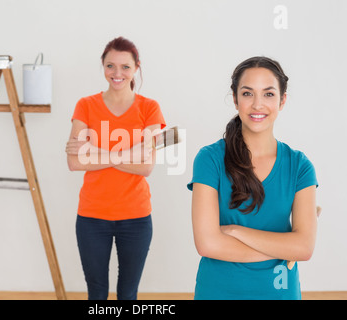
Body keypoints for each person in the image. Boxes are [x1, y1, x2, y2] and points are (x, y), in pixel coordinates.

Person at [188, 56, 318, 300]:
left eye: (268, 94)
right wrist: (284, 247)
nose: (258, 104)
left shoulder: (300, 166)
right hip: (218, 292)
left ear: (283, 101)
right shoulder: (209, 159)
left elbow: (304, 248)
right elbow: (207, 244)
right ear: (236, 100)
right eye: (248, 94)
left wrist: (236, 231)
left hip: (279, 293)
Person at [66, 36, 166, 300]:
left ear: (136, 68)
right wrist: (129, 153)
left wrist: (96, 153)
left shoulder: (150, 108)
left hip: (136, 216)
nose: (117, 73)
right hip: (91, 216)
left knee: (127, 294)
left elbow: (146, 166)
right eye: (110, 66)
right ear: (103, 65)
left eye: (125, 67)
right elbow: (75, 161)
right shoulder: (85, 105)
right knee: (96, 293)